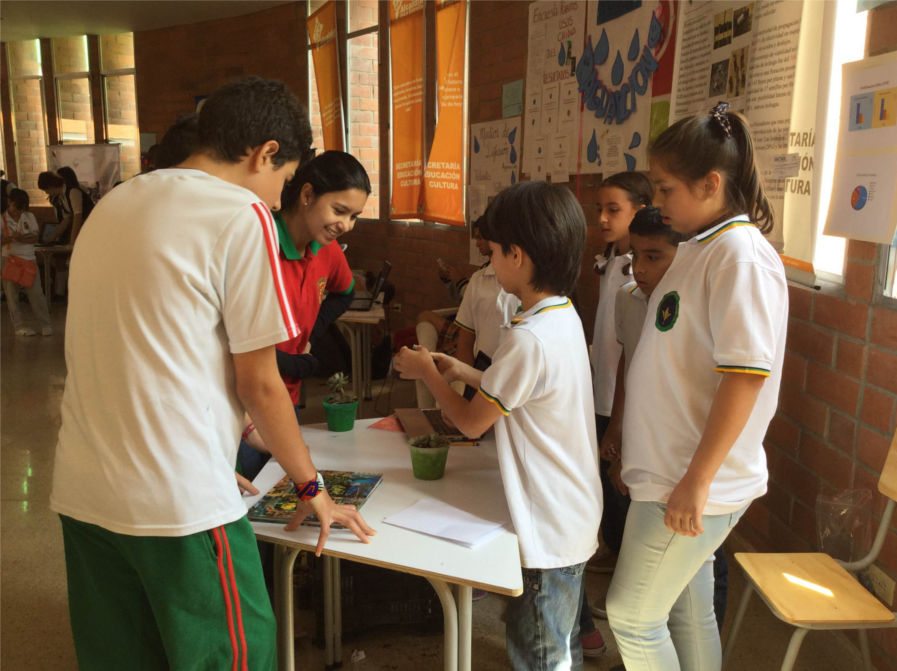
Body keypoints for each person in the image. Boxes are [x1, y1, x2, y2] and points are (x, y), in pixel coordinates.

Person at [50, 76, 375, 671]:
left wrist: (224, 440)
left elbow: (147, 353)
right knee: (235, 656)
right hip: (177, 505)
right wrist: (312, 488)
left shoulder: (118, 201)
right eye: (283, 179)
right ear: (266, 153)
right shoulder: (240, 212)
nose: (278, 197)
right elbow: (259, 381)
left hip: (83, 490)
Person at [605, 102, 788, 670]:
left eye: (664, 189)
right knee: (687, 611)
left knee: (632, 617)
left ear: (711, 183)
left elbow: (745, 378)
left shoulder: (740, 256)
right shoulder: (701, 246)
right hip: (671, 471)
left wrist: (696, 481)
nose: (656, 202)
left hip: (688, 483)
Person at [394, 181, 603, 670]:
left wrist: (427, 372)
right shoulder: (559, 315)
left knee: (540, 653)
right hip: (568, 511)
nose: (487, 263)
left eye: (491, 254)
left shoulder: (528, 339)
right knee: (553, 638)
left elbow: (468, 422)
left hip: (549, 526)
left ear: (518, 255)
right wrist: (464, 371)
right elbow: (522, 393)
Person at [238, 150, 368, 480]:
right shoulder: (257, 244)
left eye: (354, 216)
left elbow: (344, 292)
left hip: (288, 398)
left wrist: (311, 332)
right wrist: (283, 361)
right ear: (307, 194)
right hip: (244, 405)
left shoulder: (328, 249)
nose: (347, 226)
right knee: (251, 492)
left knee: (286, 492)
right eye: (340, 211)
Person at [2, 189, 52, 336]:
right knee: (12, 296)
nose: (18, 212)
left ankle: (45, 324)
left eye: (21, 209)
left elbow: (35, 237)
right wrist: (12, 238)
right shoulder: (2, 219)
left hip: (29, 259)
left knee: (36, 294)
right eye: (16, 208)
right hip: (10, 259)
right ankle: (19, 327)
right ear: (10, 203)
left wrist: (19, 238)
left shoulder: (29, 216)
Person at [56, 166, 95, 244]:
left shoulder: (73, 191)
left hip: (89, 227)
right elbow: (68, 218)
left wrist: (72, 241)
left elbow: (78, 217)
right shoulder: (62, 196)